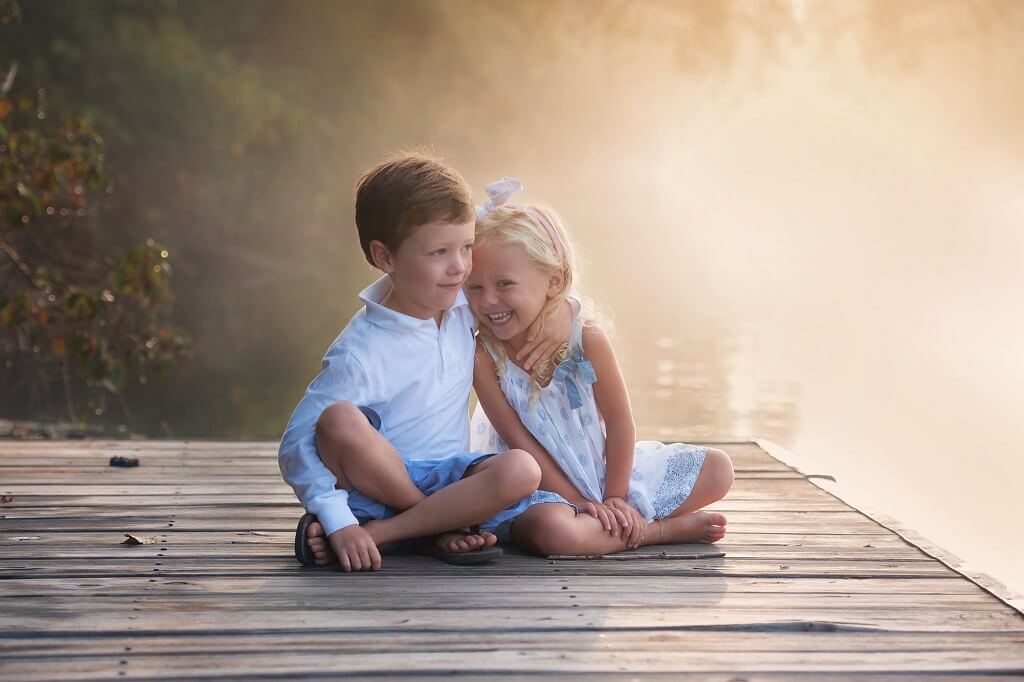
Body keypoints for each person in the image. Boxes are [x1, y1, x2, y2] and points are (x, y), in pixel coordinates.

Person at [279, 156, 570, 572]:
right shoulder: (361, 350)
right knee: (337, 420)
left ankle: (393, 533)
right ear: (385, 257)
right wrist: (336, 513)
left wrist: (561, 316)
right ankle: (431, 527)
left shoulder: (462, 306)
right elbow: (296, 442)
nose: (459, 267)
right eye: (439, 252)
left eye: (466, 248)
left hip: (455, 482)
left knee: (522, 469)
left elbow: (522, 287)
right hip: (380, 484)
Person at [466, 178, 735, 557]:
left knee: (719, 469)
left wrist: (615, 495)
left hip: (603, 471)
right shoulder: (483, 355)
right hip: (539, 489)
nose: (489, 300)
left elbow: (621, 422)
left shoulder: (586, 337)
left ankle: (616, 522)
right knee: (555, 535)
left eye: (504, 284)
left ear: (553, 281)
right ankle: (660, 531)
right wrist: (578, 500)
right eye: (474, 287)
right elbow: (519, 442)